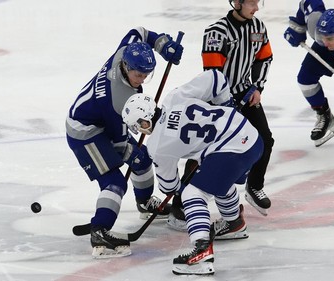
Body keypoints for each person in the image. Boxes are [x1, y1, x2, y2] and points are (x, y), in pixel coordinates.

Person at [122, 70, 264, 275]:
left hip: (233, 149)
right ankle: (234, 223)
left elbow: (169, 186)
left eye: (138, 126)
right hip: (250, 135)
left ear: (144, 122)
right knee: (215, 177)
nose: (141, 130)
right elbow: (216, 78)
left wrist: (180, 188)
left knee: (192, 193)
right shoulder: (174, 98)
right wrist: (226, 104)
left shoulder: (157, 145)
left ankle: (201, 252)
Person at [66, 26, 183, 258]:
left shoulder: (125, 51)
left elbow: (138, 31)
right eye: (139, 75)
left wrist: (162, 45)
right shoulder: (119, 101)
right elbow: (120, 143)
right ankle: (100, 230)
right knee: (115, 182)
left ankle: (145, 202)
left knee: (141, 159)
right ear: (127, 67)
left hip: (99, 120)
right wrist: (148, 126)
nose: (143, 79)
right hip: (84, 131)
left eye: (147, 74)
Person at [199, 0, 274, 216]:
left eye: (258, 2)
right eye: (252, 3)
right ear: (238, 2)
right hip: (216, 97)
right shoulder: (216, 32)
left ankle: (255, 186)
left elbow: (265, 58)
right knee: (206, 150)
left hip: (245, 92)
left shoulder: (258, 27)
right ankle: (181, 203)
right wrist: (226, 104)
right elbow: (212, 74)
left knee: (265, 139)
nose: (257, 8)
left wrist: (257, 87)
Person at [283, 1, 334, 147]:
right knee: (306, 78)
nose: (325, 41)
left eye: (329, 38)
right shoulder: (317, 23)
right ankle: (324, 115)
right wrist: (297, 26)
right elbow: (308, 2)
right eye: (322, 36)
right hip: (333, 46)